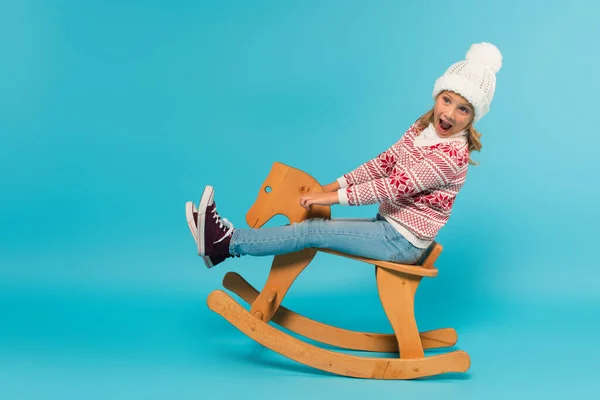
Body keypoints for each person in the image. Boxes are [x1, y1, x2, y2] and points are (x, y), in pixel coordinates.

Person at [186, 42, 502, 269]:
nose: (449, 113)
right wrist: (333, 184)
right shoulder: (422, 128)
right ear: (437, 96)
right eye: (446, 100)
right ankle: (223, 245)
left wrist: (332, 198)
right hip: (388, 224)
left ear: (473, 117)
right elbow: (383, 163)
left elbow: (392, 186)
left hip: (400, 241)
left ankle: (226, 243)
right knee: (310, 223)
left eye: (463, 109)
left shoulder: (450, 155)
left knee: (311, 231)